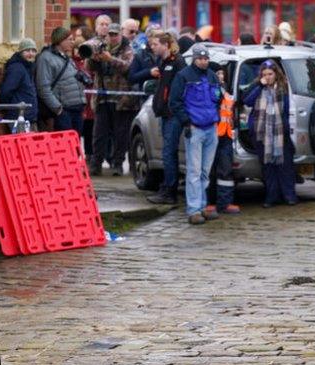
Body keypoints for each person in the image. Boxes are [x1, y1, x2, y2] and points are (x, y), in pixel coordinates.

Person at [168, 45, 221, 225]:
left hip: (211, 128)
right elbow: (174, 102)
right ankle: (193, 210)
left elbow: (219, 98)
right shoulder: (184, 76)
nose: (204, 61)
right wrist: (186, 122)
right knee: (194, 171)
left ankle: (203, 206)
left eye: (206, 58)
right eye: (200, 58)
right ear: (194, 59)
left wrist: (217, 118)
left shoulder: (212, 75)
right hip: (195, 128)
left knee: (205, 172)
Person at [243, 60, 297, 208]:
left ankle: (289, 195)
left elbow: (288, 109)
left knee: (284, 164)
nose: (267, 77)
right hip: (261, 132)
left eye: (270, 74)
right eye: (264, 74)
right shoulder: (257, 87)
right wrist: (259, 85)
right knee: (268, 165)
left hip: (280, 132)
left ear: (276, 74)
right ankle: (271, 196)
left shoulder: (284, 88)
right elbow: (247, 101)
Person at [86, 23, 136, 176]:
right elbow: (89, 67)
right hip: (102, 97)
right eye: (110, 34)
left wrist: (110, 59)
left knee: (120, 134)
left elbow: (128, 67)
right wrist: (93, 58)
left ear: (120, 34)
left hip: (121, 98)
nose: (112, 37)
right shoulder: (101, 46)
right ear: (106, 35)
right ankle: (96, 163)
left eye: (115, 34)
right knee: (99, 133)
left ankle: (118, 164)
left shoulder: (127, 49)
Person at [146, 31, 187, 205]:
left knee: (169, 152)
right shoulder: (164, 62)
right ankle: (167, 186)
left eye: (155, 44)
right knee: (166, 152)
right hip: (165, 113)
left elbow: (179, 90)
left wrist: (172, 107)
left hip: (172, 115)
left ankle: (170, 190)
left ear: (166, 45)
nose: (152, 47)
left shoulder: (177, 62)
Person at [37, 27, 86, 134]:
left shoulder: (67, 56)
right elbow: (43, 88)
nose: (73, 42)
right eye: (70, 39)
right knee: (65, 144)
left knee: (75, 144)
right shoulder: (45, 58)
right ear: (60, 40)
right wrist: (58, 109)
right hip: (64, 110)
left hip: (77, 108)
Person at [208, 67, 240, 216]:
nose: (221, 76)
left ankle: (225, 202)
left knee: (225, 171)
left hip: (225, 134)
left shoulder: (224, 90)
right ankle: (209, 202)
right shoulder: (209, 89)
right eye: (217, 73)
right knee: (209, 171)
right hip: (212, 134)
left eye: (222, 73)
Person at [0, 38, 39, 133]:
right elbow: (6, 91)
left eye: (33, 51)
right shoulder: (17, 68)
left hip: (28, 117)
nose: (31, 53)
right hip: (18, 117)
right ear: (21, 52)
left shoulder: (28, 67)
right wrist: (11, 108)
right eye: (27, 50)